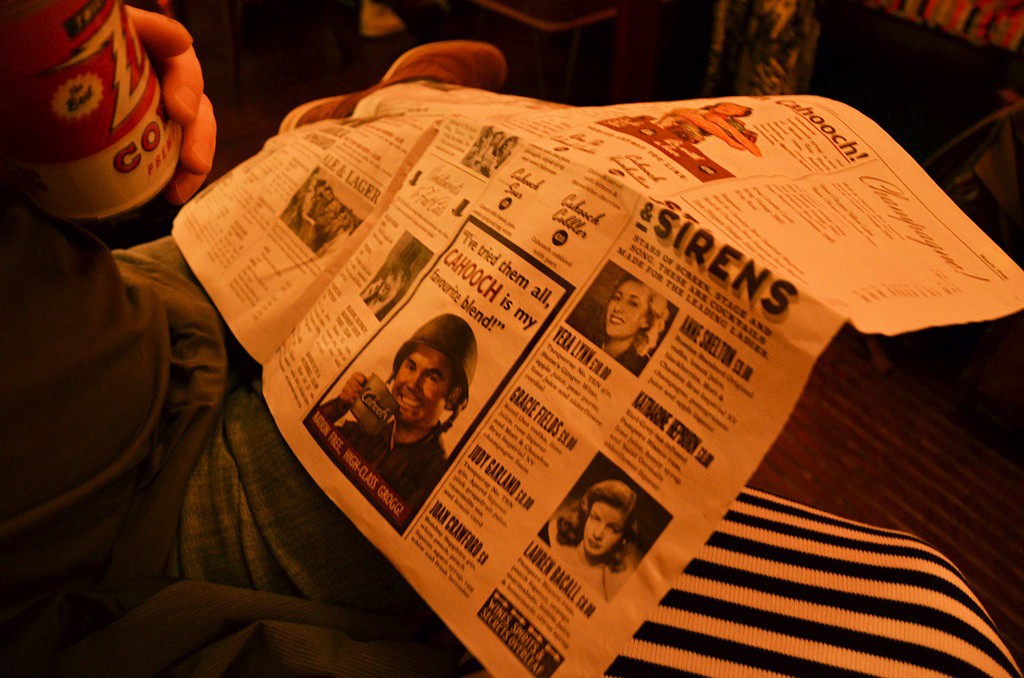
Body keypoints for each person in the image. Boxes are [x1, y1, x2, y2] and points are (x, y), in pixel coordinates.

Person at [0, 12, 1018, 676]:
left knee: (330, 212)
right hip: (117, 506)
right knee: (937, 627)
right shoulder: (404, 437)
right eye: (417, 375)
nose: (414, 387)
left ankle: (372, 130)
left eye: (427, 380)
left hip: (116, 306)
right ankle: (384, 124)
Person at [315, 314, 477, 513]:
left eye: (432, 378)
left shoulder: (436, 478)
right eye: (411, 367)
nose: (412, 384)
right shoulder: (368, 431)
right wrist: (340, 405)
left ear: (452, 397)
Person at [545, 480, 641, 602]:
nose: (597, 534)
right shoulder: (551, 535)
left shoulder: (605, 595)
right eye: (595, 518)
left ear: (623, 538)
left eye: (613, 529)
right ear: (586, 514)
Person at [583, 273, 670, 375]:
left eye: (633, 303)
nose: (617, 307)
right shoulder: (586, 334)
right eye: (617, 297)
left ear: (646, 321)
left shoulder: (639, 369)